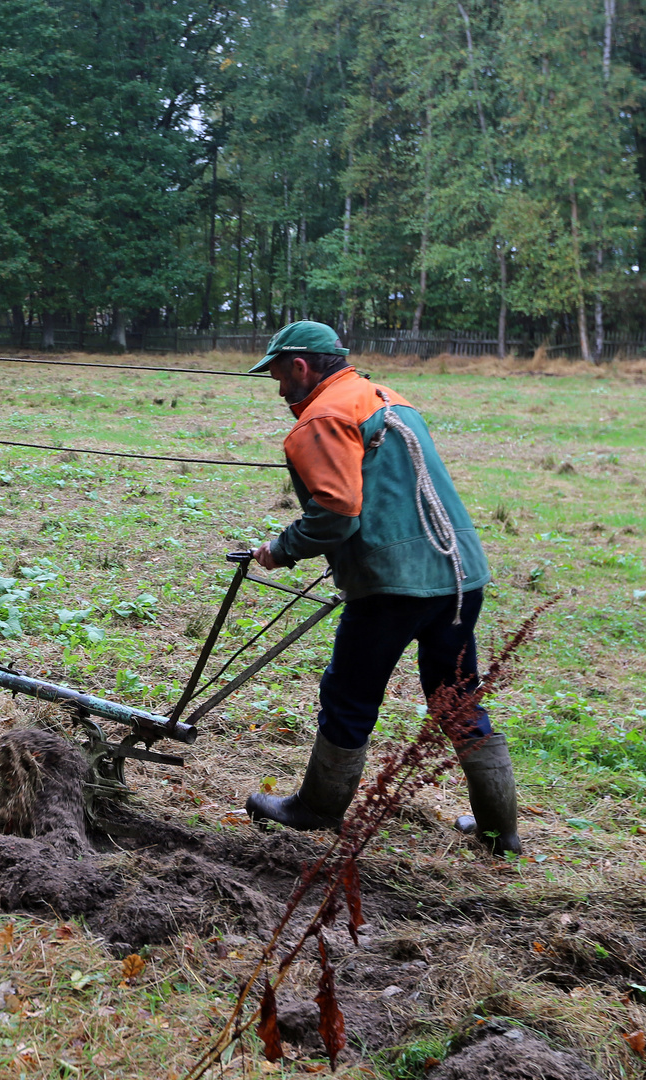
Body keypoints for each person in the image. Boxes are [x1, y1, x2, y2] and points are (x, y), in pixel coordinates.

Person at [242, 321, 521, 856]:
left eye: (279, 376)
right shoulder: (388, 399)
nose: (279, 390)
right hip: (458, 573)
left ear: (301, 366)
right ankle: (499, 830)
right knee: (458, 701)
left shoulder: (322, 416)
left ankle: (317, 809)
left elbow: (337, 514)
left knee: (348, 697)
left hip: (395, 586)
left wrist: (281, 549)